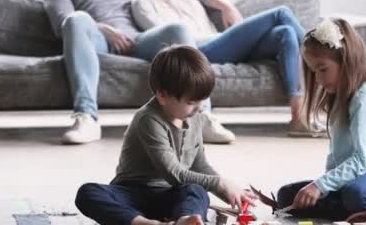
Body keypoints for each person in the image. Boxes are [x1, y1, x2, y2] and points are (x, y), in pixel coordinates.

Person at [43, 0, 236, 144]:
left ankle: (202, 116)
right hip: (97, 39)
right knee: (76, 19)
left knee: (178, 29)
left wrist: (222, 3)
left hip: (138, 38)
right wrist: (104, 29)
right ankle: (86, 117)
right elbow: (62, 22)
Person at [131, 0, 323, 137]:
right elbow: (166, 34)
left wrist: (236, 38)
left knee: (287, 33)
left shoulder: (191, 2)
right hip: (197, 52)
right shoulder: (142, 1)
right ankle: (323, 64)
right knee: (281, 13)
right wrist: (235, 38)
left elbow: (210, 31)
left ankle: (298, 117)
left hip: (219, 44)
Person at [75, 45, 256, 225]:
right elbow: (174, 174)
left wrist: (227, 191)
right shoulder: (148, 119)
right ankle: (143, 223)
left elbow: (199, 165)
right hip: (133, 194)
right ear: (163, 96)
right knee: (88, 193)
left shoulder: (195, 117)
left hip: (170, 195)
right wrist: (220, 183)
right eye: (192, 101)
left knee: (196, 190)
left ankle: (184, 219)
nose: (200, 107)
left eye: (202, 100)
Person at [275, 19, 366, 220]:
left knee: (356, 195)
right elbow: (336, 156)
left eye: (323, 69)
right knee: (286, 196)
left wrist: (320, 186)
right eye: (314, 71)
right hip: (360, 177)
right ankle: (356, 210)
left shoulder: (365, 98)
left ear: (346, 61)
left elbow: (362, 160)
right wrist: (324, 187)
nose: (318, 79)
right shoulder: (338, 99)